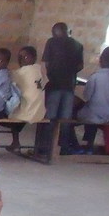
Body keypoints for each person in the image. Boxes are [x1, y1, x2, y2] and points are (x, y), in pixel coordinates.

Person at [40, 22, 84, 155]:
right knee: (65, 118)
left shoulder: (52, 42)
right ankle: (63, 147)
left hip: (54, 84)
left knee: (50, 117)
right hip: (69, 85)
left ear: (54, 32)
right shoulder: (78, 45)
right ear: (67, 31)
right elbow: (80, 66)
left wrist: (52, 73)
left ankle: (45, 147)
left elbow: (46, 62)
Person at [6, 46, 45, 151]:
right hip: (41, 111)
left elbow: (9, 80)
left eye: (25, 56)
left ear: (34, 58)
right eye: (20, 57)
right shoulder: (38, 69)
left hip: (29, 109)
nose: (21, 59)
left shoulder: (21, 72)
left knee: (11, 113)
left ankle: (16, 142)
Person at [76, 45, 109, 153]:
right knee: (92, 113)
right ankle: (90, 146)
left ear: (101, 60)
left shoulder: (95, 77)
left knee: (84, 113)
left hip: (96, 115)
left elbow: (87, 96)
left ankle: (87, 146)